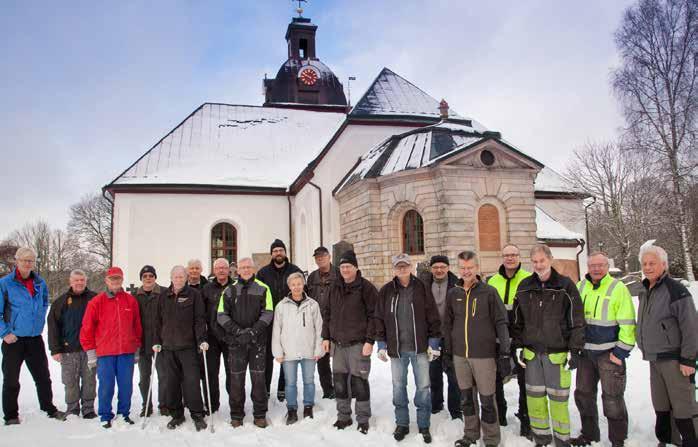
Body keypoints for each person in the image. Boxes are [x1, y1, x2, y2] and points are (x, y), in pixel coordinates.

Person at [511, 244, 585, 447]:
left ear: (550, 260)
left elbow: (576, 320)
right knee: (534, 399)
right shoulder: (525, 286)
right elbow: (517, 320)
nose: (538, 265)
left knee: (558, 400)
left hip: (558, 354)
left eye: (542, 261)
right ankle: (541, 438)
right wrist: (517, 345)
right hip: (532, 355)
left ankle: (562, 440)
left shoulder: (565, 285)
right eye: (534, 261)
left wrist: (574, 349)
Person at [444, 251, 511, 447]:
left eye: (470, 268)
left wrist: (505, 352)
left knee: (487, 399)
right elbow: (447, 325)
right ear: (459, 268)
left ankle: (491, 439)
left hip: (484, 355)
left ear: (477, 268)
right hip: (460, 355)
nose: (466, 271)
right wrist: (448, 352)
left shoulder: (488, 292)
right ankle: (470, 434)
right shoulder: (453, 293)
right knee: (466, 398)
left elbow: (501, 322)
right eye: (463, 268)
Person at [570, 252, 635, 447]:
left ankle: (618, 440)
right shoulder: (580, 286)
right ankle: (589, 435)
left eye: (600, 265)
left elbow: (628, 322)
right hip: (586, 354)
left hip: (610, 354)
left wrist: (620, 352)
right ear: (587, 267)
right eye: (592, 265)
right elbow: (572, 318)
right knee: (584, 395)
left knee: (612, 399)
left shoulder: (618, 288)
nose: (596, 269)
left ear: (607, 267)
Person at [375, 253, 441, 443]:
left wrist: (434, 343)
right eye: (398, 266)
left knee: (423, 387)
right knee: (398, 388)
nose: (402, 269)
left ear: (410, 267)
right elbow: (379, 318)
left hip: (420, 348)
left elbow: (433, 317)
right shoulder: (387, 290)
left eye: (405, 265)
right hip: (397, 349)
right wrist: (381, 344)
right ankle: (402, 423)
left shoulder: (421, 288)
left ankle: (423, 425)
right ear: (394, 269)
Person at [636, 244, 698, 447]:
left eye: (652, 263)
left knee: (683, 406)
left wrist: (688, 359)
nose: (647, 267)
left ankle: (691, 441)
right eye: (644, 263)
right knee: (661, 404)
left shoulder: (676, 290)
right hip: (655, 358)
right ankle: (668, 440)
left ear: (664, 264)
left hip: (675, 359)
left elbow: (691, 326)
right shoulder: (646, 289)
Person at [0, 247, 67, 425]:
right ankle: (11, 415)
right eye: (24, 260)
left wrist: (38, 323)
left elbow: (44, 302)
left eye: (31, 260)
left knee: (43, 377)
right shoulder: (5, 283)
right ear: (17, 261)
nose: (28, 263)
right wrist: (5, 333)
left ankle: (48, 408)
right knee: (11, 379)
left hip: (34, 339)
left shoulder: (40, 282)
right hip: (13, 340)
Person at [321, 250, 378, 434]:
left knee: (359, 382)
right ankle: (343, 417)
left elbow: (374, 316)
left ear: (356, 267)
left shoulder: (366, 288)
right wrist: (326, 337)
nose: (345, 269)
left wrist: (370, 340)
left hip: (358, 345)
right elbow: (327, 314)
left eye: (349, 266)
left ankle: (362, 419)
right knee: (338, 382)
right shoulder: (334, 287)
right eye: (343, 266)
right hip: (337, 345)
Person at [80, 266, 142, 428]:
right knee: (106, 386)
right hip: (105, 352)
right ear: (106, 281)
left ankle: (124, 414)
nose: (115, 281)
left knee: (126, 386)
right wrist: (91, 352)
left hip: (126, 352)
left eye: (118, 278)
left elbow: (137, 326)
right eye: (112, 278)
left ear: (122, 280)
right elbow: (87, 328)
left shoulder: (130, 301)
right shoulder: (96, 302)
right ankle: (105, 415)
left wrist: (136, 348)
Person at [217, 257, 274, 428]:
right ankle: (236, 414)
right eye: (243, 267)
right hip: (236, 342)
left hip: (257, 342)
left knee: (258, 378)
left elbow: (268, 312)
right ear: (237, 270)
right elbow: (221, 314)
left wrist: (253, 331)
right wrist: (237, 331)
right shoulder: (229, 290)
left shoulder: (263, 288)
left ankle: (259, 414)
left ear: (254, 269)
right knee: (236, 380)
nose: (246, 270)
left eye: (249, 267)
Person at [153, 265, 208, 431]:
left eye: (181, 276)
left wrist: (202, 339)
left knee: (192, 382)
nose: (178, 279)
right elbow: (157, 321)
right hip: (168, 348)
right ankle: (176, 415)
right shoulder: (163, 296)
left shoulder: (194, 295)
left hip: (188, 347)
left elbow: (199, 319)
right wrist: (157, 341)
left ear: (186, 278)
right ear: (171, 278)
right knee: (172, 383)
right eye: (175, 276)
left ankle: (197, 414)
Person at [486, 244, 531, 434]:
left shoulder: (528, 279)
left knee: (525, 380)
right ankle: (500, 415)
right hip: (499, 338)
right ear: (502, 257)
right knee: (496, 379)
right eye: (506, 255)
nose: (510, 258)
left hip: (522, 338)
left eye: (514, 254)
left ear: (519, 257)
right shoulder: (492, 280)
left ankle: (525, 417)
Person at [272, 272, 323, 424]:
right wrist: (278, 352)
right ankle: (292, 409)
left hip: (308, 349)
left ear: (303, 285)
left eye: (299, 284)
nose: (296, 287)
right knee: (290, 382)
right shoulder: (281, 306)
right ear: (289, 286)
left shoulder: (313, 304)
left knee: (309, 381)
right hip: (289, 351)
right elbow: (276, 330)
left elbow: (319, 328)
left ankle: (308, 407)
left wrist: (318, 349)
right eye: (293, 284)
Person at [47, 269, 97, 419]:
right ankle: (72, 408)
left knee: (89, 380)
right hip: (68, 349)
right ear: (70, 281)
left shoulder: (94, 299)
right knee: (70, 381)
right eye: (76, 280)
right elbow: (53, 327)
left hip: (89, 350)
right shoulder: (61, 301)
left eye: (82, 280)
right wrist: (55, 349)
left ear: (86, 281)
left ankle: (88, 409)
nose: (79, 283)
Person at [257, 238, 302, 401]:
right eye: (275, 251)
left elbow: (302, 292)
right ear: (271, 254)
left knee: (287, 355)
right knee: (267, 357)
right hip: (268, 321)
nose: (278, 253)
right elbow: (258, 296)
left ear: (285, 252)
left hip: (289, 321)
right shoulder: (263, 273)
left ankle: (283, 387)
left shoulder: (294, 270)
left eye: (280, 250)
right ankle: (266, 388)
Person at [419, 254, 461, 420]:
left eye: (442, 266)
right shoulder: (423, 286)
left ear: (448, 268)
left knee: (454, 377)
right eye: (436, 267)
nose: (439, 270)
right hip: (431, 338)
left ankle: (455, 410)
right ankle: (436, 405)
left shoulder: (457, 284)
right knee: (433, 374)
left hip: (452, 337)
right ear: (431, 269)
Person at [200, 258, 233, 414]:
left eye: (224, 268)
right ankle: (212, 404)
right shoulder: (206, 289)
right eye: (218, 268)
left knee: (232, 372)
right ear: (214, 270)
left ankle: (235, 403)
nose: (221, 270)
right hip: (212, 337)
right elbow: (200, 314)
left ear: (229, 270)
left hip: (231, 336)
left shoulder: (235, 287)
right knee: (211, 373)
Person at [134, 265, 167, 417]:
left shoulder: (165, 293)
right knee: (144, 377)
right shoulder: (135, 296)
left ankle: (164, 404)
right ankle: (146, 405)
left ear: (155, 277)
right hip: (143, 343)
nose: (148, 278)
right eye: (145, 276)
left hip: (161, 342)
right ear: (141, 278)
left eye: (151, 275)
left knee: (163, 375)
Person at [305, 246, 338, 399]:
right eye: (317, 257)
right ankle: (328, 389)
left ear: (329, 257)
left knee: (340, 358)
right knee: (322, 359)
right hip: (318, 324)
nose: (320, 259)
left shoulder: (339, 274)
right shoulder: (312, 278)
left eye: (322, 256)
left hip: (337, 321)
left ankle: (343, 387)